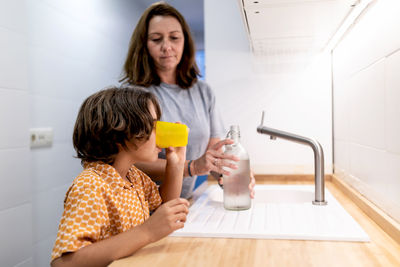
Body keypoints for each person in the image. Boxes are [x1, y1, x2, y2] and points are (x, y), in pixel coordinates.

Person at [120, 1, 255, 199]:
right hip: (140, 209)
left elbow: (212, 156)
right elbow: (130, 162)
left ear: (185, 41)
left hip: (182, 202)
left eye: (174, 37)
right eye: (156, 39)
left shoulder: (203, 92)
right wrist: (190, 167)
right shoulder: (133, 96)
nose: (167, 47)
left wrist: (229, 173)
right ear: (144, 44)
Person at [51, 87, 189, 267]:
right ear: (120, 132)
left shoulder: (134, 176)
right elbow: (64, 263)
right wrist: (146, 232)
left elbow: (165, 208)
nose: (161, 132)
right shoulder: (91, 186)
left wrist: (176, 165)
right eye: (153, 125)